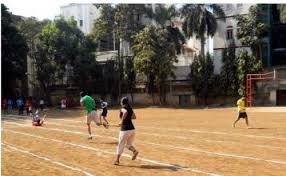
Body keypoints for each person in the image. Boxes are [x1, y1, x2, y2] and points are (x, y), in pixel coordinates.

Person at [113, 97, 139, 165]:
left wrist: (122, 122)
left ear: (122, 102)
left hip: (125, 130)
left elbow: (125, 112)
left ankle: (117, 161)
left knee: (120, 145)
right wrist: (126, 119)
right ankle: (134, 151)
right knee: (128, 145)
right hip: (132, 129)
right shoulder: (130, 108)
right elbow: (134, 117)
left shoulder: (123, 109)